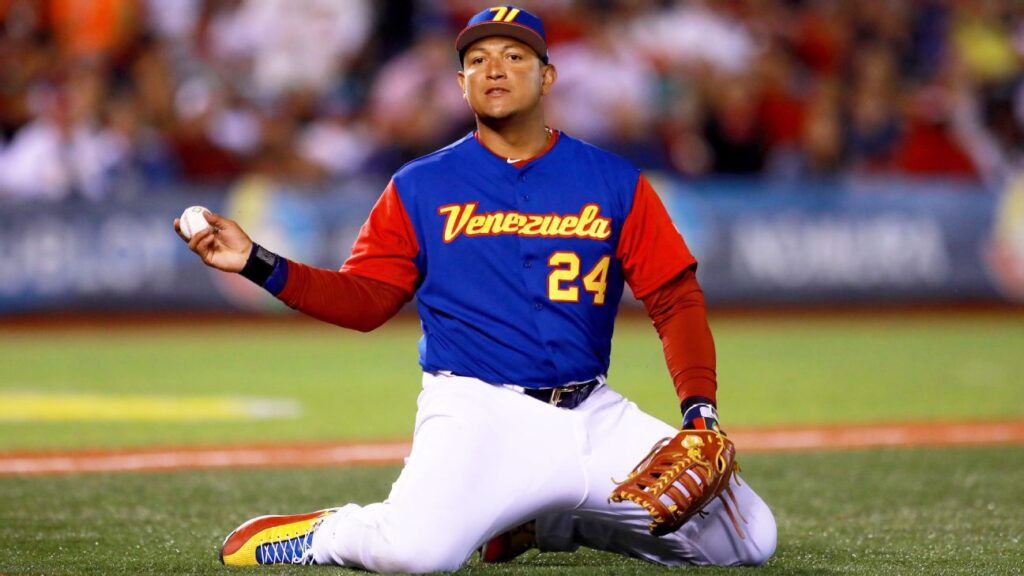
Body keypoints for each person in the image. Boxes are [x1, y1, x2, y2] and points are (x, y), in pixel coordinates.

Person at [176, 6, 776, 572]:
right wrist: (257, 261)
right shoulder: (420, 185)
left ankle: (549, 524)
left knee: (749, 539)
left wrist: (700, 413)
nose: (494, 68)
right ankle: (324, 534)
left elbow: (675, 299)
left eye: (515, 56)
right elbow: (365, 302)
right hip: (479, 411)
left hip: (594, 410)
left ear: (548, 77)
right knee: (415, 554)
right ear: (461, 83)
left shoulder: (612, 179)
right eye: (479, 58)